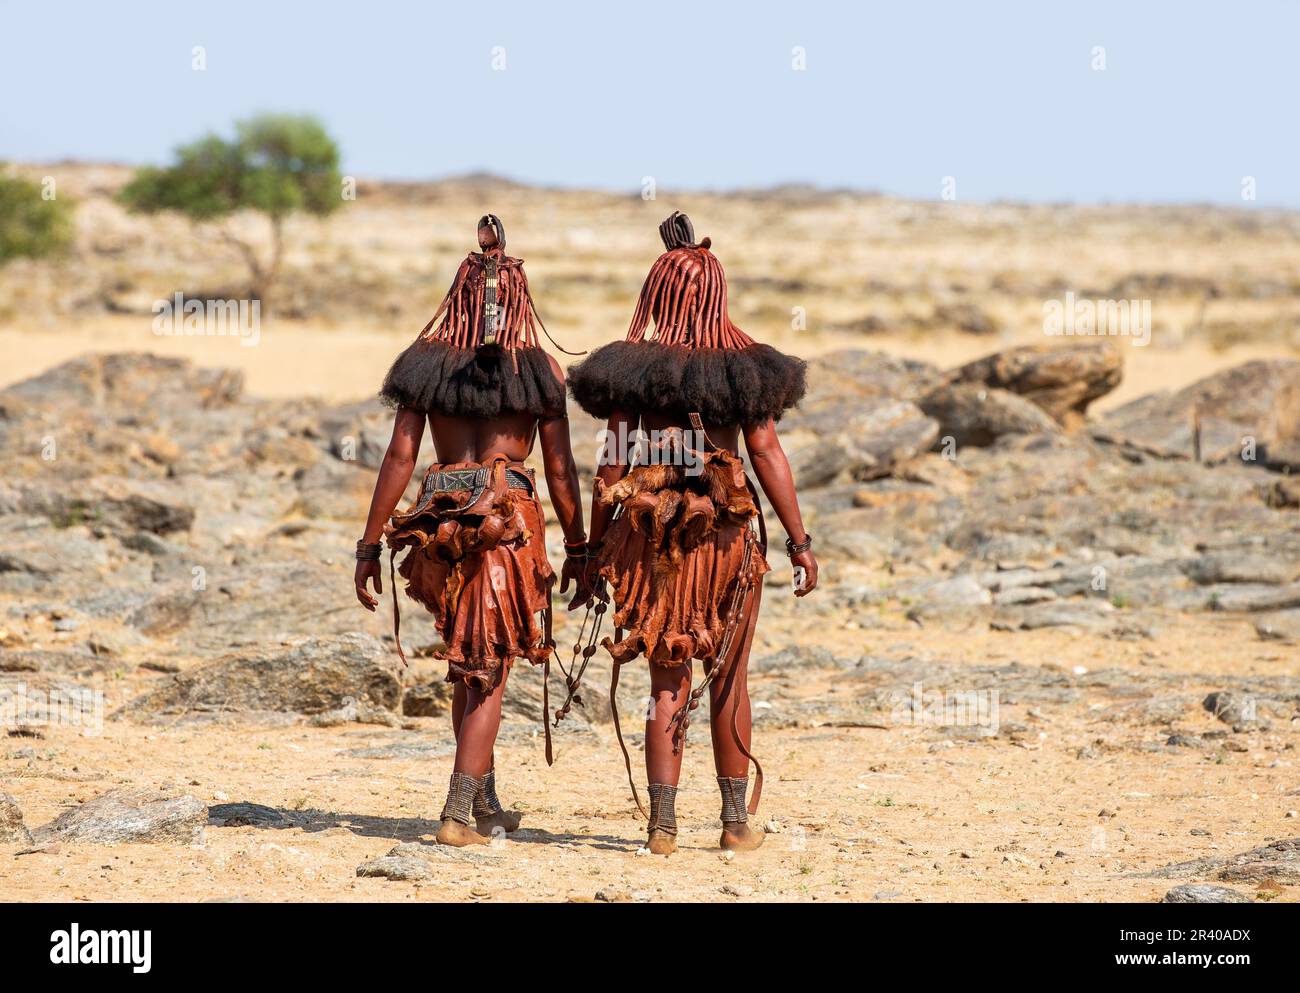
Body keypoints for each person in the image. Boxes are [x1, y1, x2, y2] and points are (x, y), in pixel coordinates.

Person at [567, 212, 819, 854]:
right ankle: (735, 826)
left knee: (664, 675)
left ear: (657, 290)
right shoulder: (746, 369)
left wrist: (594, 550)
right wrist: (799, 541)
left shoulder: (630, 370)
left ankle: (662, 828)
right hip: (729, 539)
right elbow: (766, 456)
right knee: (730, 675)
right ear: (716, 292)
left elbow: (613, 466)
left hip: (652, 538)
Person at [355, 215, 590, 846]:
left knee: (468, 661)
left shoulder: (426, 368)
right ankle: (457, 815)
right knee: (487, 666)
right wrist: (580, 546)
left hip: (437, 523)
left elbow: (400, 459)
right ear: (518, 300)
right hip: (502, 525)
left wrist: (369, 544)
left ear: (458, 296)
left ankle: (483, 804)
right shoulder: (540, 372)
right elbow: (562, 472)